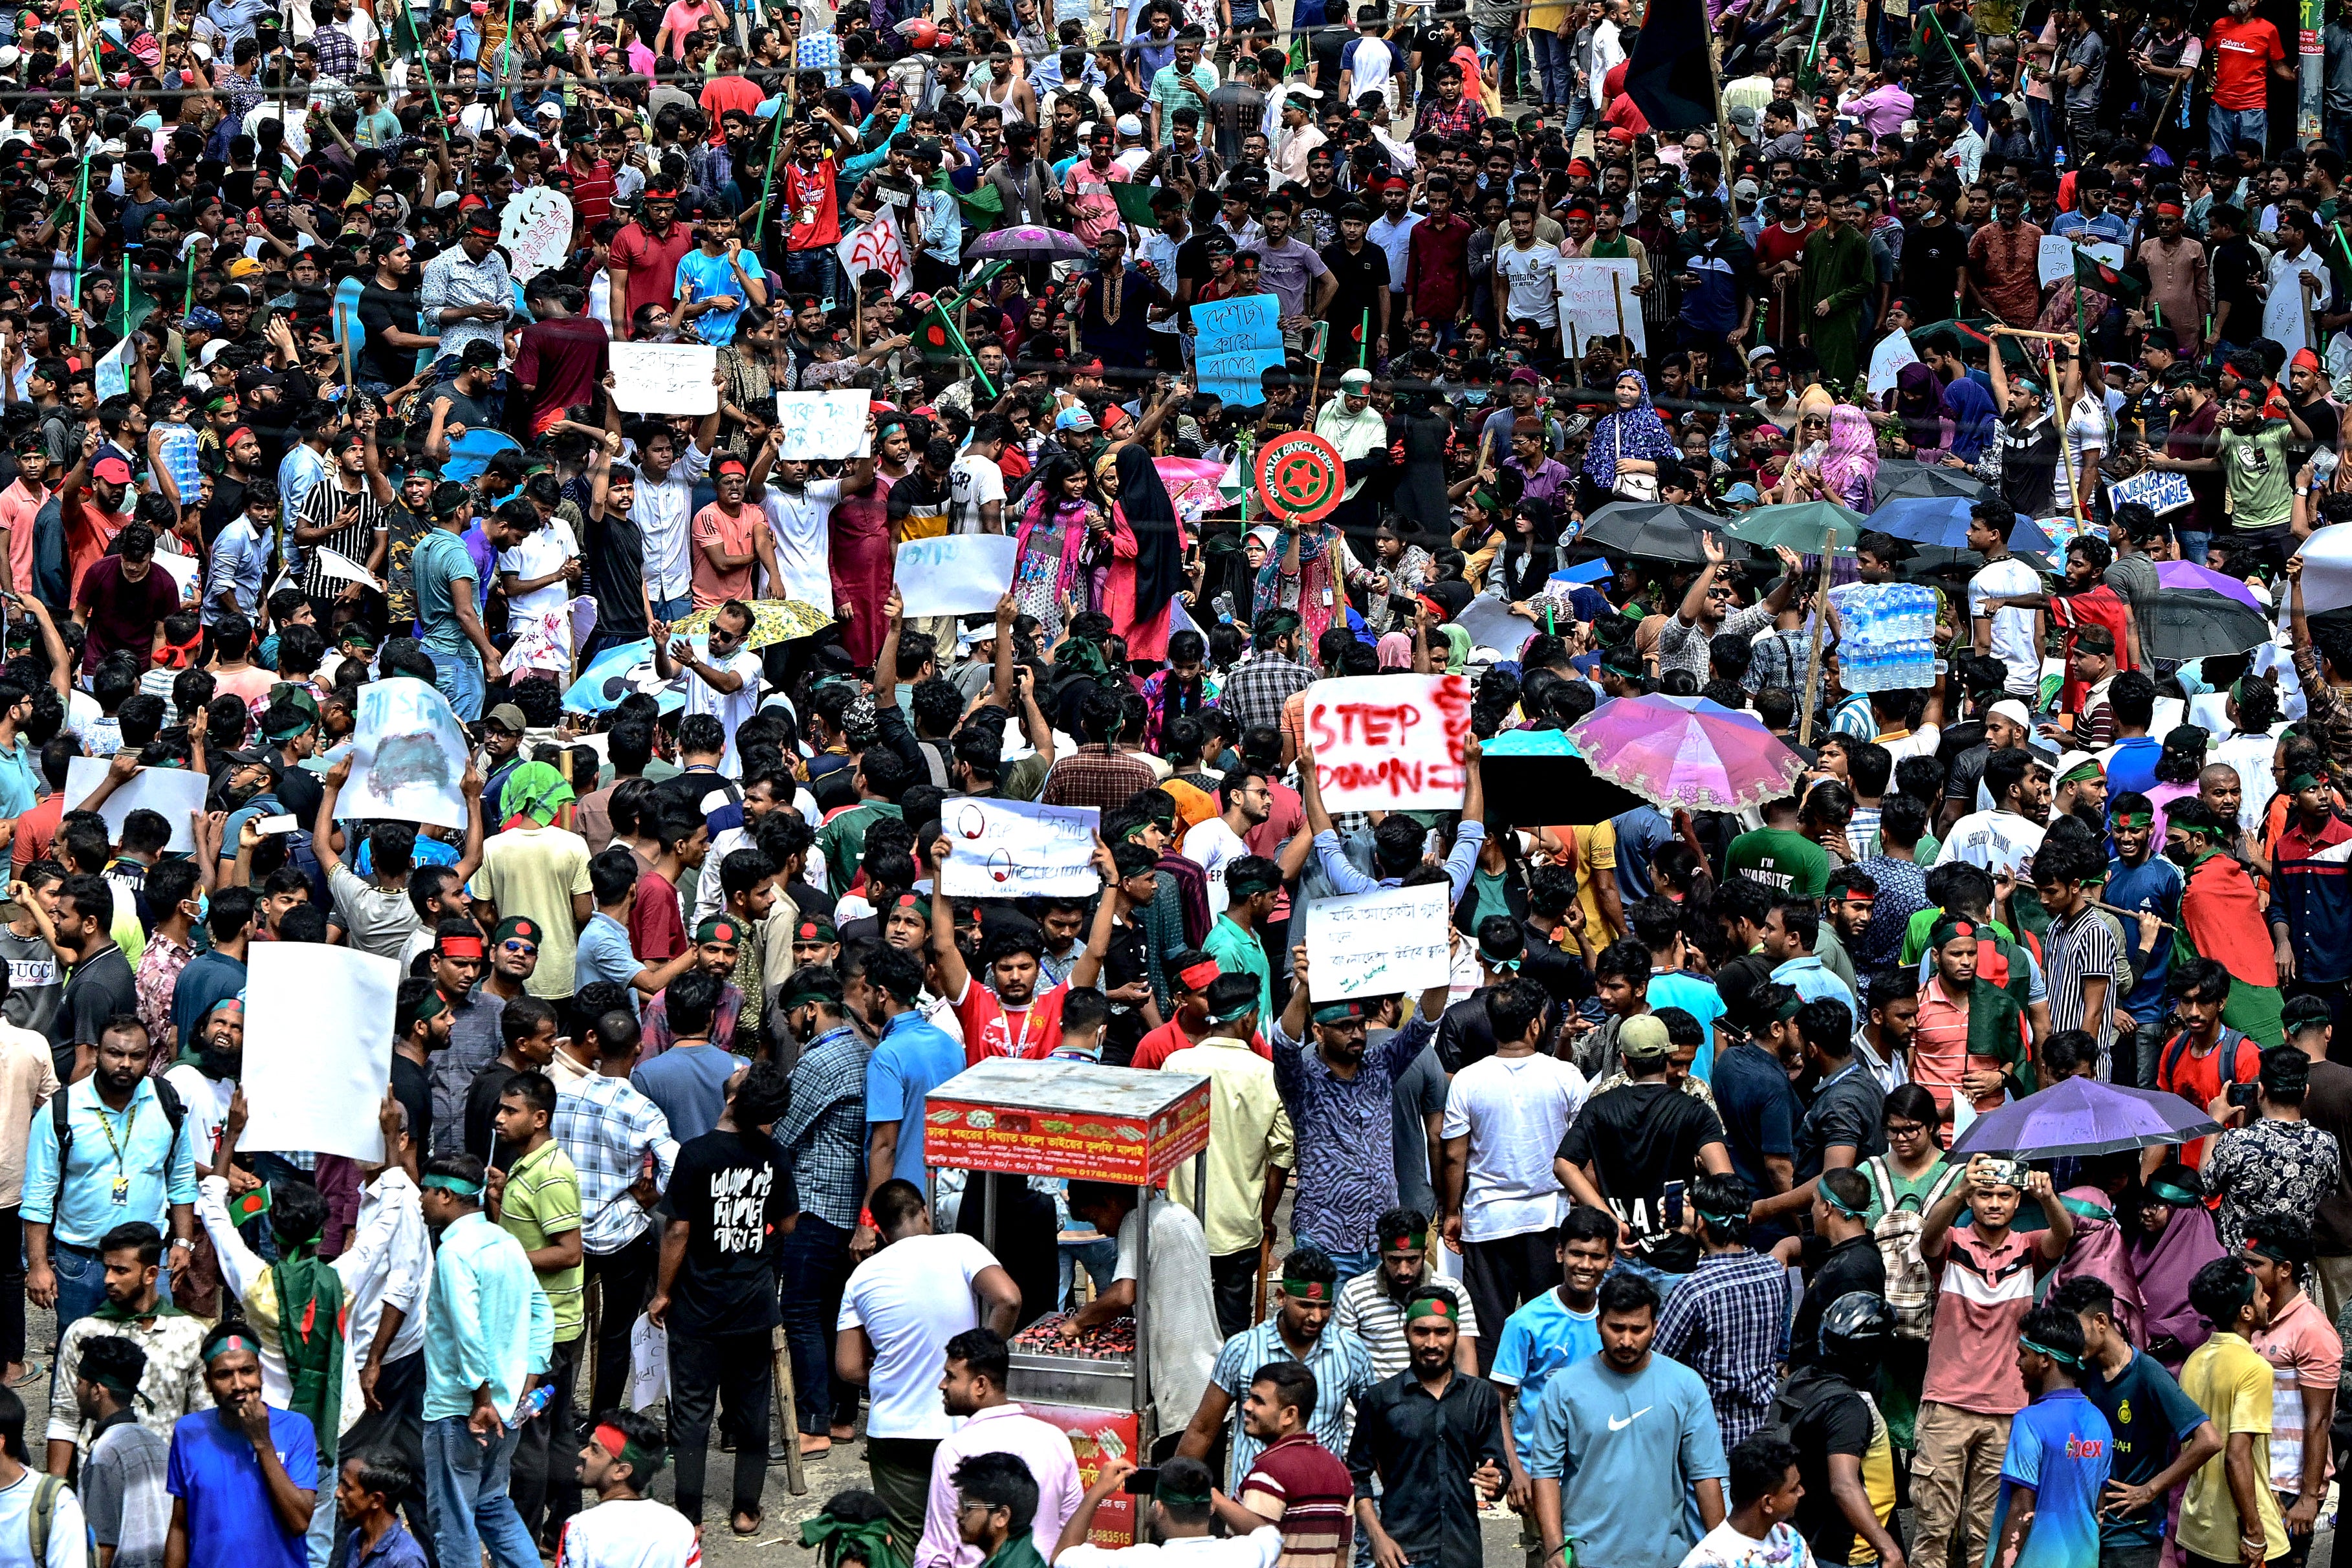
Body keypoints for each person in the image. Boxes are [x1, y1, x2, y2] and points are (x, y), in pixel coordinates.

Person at [645, 1056, 794, 1536]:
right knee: (752, 1409)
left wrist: (663, 1292)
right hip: (753, 1302)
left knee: (692, 1411)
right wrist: (758, 1238)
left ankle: (689, 1513)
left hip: (698, 1304)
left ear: (733, 1097)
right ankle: (746, 1508)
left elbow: (678, 1230)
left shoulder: (697, 1154)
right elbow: (789, 1223)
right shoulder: (774, 1156)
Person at [1911, 1153, 2074, 1568]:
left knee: (1987, 1532)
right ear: (1971, 1201)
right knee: (1933, 1527)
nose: (1995, 1203)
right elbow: (1928, 1237)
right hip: (1947, 1402)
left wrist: (2049, 1197)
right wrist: (1959, 1190)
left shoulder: (2029, 1248)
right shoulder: (1952, 1245)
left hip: (2007, 1408)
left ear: (2018, 1201)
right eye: (1985, 1195)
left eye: (2005, 1195)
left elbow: (2064, 1234)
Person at [837, 1178, 1023, 1543]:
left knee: (907, 1540)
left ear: (879, 1228)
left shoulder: (861, 1277)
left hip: (893, 1432)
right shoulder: (960, 1247)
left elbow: (848, 1367)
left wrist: (895, 1372)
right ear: (924, 1212)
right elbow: (1008, 1299)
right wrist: (978, 1363)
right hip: (959, 1423)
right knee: (968, 1539)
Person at [416, 1152, 553, 1568]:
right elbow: (542, 1313)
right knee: (492, 1504)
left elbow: (466, 1330)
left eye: (426, 1191)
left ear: (444, 1195)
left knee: (453, 1521)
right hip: (508, 1408)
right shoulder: (506, 1241)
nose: (421, 1199)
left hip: (461, 1411)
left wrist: (482, 1401)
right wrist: (522, 1387)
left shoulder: (455, 1252)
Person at [2054, 1274, 2225, 1568]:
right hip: (2086, 1530)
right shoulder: (2081, 1372)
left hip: (2134, 1536)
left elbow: (2209, 1440)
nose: (2069, 1339)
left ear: (2101, 1322)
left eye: (2075, 1328)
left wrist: (2150, 1490)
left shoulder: (2148, 1373)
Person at [1344, 1283, 1507, 1568]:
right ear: (1406, 1332)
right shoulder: (1380, 1399)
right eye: (1422, 1332)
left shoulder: (1481, 1396)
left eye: (1442, 1332)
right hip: (1401, 1552)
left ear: (1456, 1334)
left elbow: (1497, 1465)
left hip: (1462, 1551)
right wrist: (1377, 1538)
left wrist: (1498, 1481)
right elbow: (1356, 1476)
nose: (1432, 1344)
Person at [915, 1330, 1082, 1568]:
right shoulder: (1055, 1439)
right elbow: (1072, 1532)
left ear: (980, 1385)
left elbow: (938, 1551)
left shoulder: (953, 1450)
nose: (943, 1385)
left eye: (951, 1377)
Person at [166, 1323, 320, 1568]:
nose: (238, 1385)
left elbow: (299, 1521)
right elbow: (180, 1526)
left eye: (247, 1371)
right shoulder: (189, 1432)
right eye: (224, 1375)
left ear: (260, 1371)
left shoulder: (295, 1428)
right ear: (207, 1381)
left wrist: (263, 1444)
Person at [2176, 1254, 2291, 1568]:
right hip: (2240, 1539)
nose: (2268, 1298)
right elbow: (2236, 1455)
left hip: (2200, 1531)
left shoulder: (2195, 1361)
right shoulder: (2255, 1368)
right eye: (2259, 1295)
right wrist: (2255, 1532)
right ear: (2246, 1312)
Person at [1986, 1303, 2115, 1568]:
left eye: (2024, 1354)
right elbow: (2099, 1507)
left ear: (2045, 1360)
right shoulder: (2099, 1421)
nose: (2018, 1362)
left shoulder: (2029, 1422)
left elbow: (2023, 1509)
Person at [1054, 1454, 1281, 1568]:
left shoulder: (1141, 1561)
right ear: (1210, 1506)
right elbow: (1268, 1532)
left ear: (1159, 1508)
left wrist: (1097, 1492)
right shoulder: (1242, 1556)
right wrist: (1219, 1500)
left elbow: (1062, 1556)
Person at [551, 1410, 696, 1568]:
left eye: (595, 1450)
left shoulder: (581, 1529)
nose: (583, 1453)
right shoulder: (681, 1527)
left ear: (621, 1471)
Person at [72, 1334, 168, 1568]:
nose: (76, 1391)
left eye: (80, 1383)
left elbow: (103, 1547)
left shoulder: (106, 1453)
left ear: (97, 1390)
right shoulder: (158, 1443)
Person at [1679, 1435, 1812, 1568]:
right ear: (1767, 1503)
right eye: (1793, 1489)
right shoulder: (1709, 1562)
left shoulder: (1790, 1538)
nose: (1802, 1492)